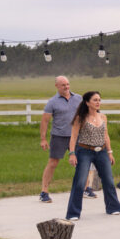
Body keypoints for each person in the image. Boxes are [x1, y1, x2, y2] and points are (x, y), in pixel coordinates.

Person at [65, 91, 120, 220]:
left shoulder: (103, 117)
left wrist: (110, 152)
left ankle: (113, 207)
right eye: (95, 100)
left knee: (108, 180)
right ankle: (73, 213)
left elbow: (105, 135)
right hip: (84, 151)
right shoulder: (80, 118)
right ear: (87, 102)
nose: (98, 102)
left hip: (101, 151)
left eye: (99, 100)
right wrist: (72, 153)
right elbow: (73, 137)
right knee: (80, 182)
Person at [39, 75, 90, 203]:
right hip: (59, 136)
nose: (66, 87)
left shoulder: (78, 98)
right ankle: (44, 192)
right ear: (57, 86)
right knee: (53, 163)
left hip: (77, 136)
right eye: (63, 85)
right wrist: (43, 139)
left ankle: (85, 188)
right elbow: (45, 121)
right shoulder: (52, 102)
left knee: (83, 161)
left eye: (67, 84)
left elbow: (87, 114)